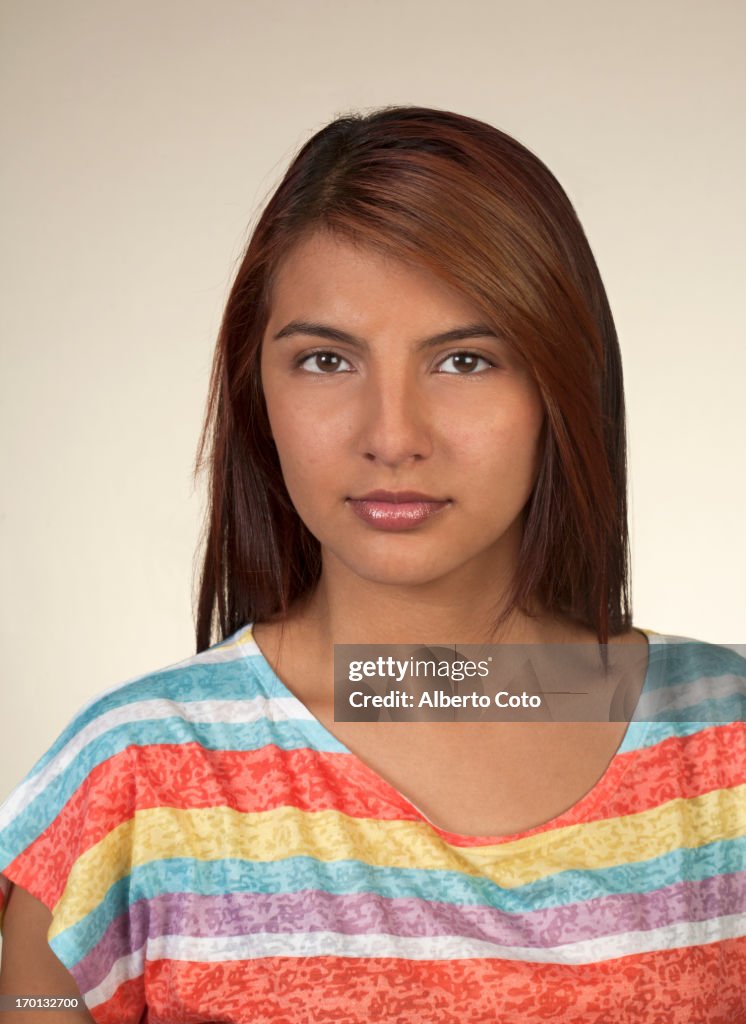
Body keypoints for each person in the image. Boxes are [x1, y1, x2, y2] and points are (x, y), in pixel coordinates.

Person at [0, 105, 744, 1023]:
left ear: (564, 380)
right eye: (324, 360)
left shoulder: (729, 752)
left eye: (466, 361)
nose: (393, 436)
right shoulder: (126, 786)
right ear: (255, 390)